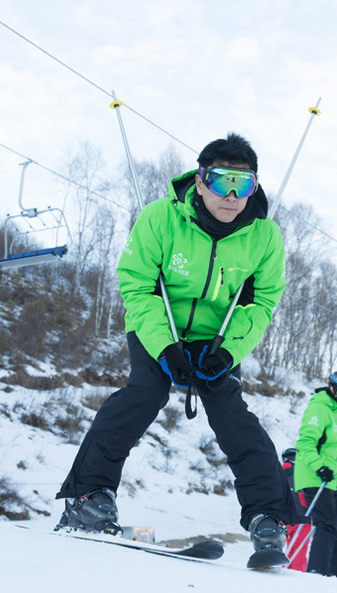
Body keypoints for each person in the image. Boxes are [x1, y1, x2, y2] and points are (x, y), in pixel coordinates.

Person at [54, 133, 292, 563]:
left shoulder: (264, 236)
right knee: (145, 394)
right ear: (200, 181)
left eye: (245, 184)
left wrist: (228, 351)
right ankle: (89, 496)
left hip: (216, 337)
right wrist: (165, 348)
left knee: (232, 415)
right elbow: (138, 285)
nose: (233, 196)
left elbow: (261, 302)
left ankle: (268, 518)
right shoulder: (161, 218)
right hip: (157, 324)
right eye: (222, 182)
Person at [293, 370, 337, 577]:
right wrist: (318, 467)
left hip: (327, 481)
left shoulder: (333, 413)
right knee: (327, 524)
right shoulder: (319, 408)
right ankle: (317, 572)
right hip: (313, 477)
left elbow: (329, 455)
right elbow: (305, 443)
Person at [280, 447, 310, 572]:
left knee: (285, 547)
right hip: (301, 517)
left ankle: (283, 571)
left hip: (283, 518)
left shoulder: (277, 472)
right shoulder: (301, 473)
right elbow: (306, 495)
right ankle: (298, 573)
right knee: (299, 548)